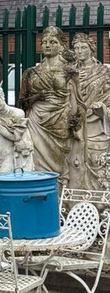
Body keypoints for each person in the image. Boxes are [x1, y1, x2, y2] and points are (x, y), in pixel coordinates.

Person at [19, 26, 72, 179]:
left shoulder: (69, 71)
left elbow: (77, 100)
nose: (48, 45)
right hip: (36, 121)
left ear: (62, 46)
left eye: (53, 42)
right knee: (37, 160)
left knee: (60, 159)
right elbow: (21, 104)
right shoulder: (30, 73)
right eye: (44, 42)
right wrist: (36, 97)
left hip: (60, 119)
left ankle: (60, 193)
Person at [64, 32, 110, 189]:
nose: (79, 51)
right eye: (76, 48)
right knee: (73, 162)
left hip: (95, 124)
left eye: (83, 47)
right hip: (73, 123)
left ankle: (98, 201)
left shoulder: (103, 72)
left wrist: (103, 110)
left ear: (91, 49)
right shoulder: (69, 72)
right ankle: (74, 200)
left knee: (95, 159)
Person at [0, 84, 34, 174]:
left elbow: (16, 137)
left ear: (1, 97)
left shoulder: (17, 113)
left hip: (8, 156)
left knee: (4, 184)